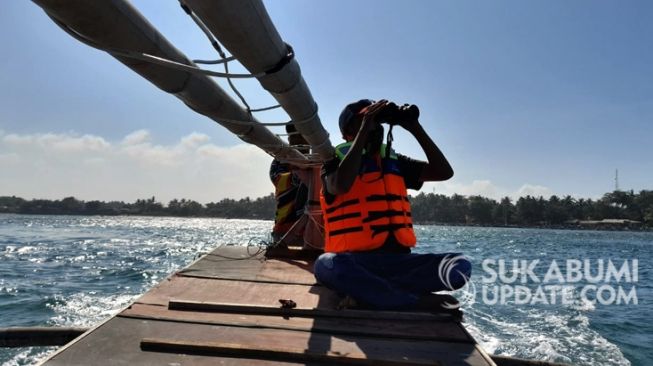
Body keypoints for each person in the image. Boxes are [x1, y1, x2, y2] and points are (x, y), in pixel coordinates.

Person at [314, 99, 471, 311]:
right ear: (346, 133)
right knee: (326, 265)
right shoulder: (333, 163)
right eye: (362, 121)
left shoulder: (395, 162)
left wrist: (414, 127)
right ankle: (412, 301)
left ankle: (374, 294)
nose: (372, 126)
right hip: (354, 262)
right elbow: (340, 185)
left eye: (375, 120)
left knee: (459, 266)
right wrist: (364, 131)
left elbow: (443, 172)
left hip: (398, 264)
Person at [269, 124, 310, 247]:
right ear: (289, 140)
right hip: (284, 230)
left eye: (301, 136)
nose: (298, 140)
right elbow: (281, 180)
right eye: (293, 137)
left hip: (314, 230)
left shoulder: (319, 161)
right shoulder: (279, 161)